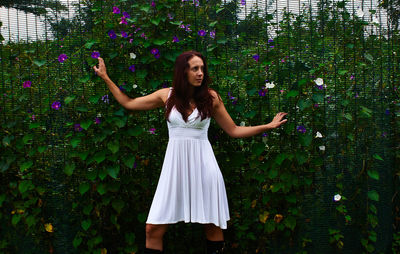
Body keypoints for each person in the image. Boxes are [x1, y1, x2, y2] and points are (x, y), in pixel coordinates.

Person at [93, 51, 288, 253]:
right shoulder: (166, 95)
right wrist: (106, 78)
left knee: (212, 226)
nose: (200, 73)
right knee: (152, 229)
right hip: (174, 170)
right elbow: (129, 103)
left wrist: (267, 126)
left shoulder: (211, 98)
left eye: (202, 68)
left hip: (205, 168)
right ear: (182, 71)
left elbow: (234, 130)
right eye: (195, 68)